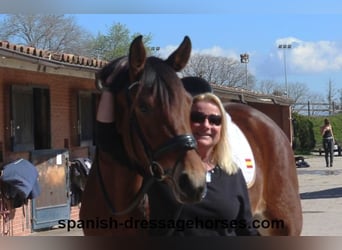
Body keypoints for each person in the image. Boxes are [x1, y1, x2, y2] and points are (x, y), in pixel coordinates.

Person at [147, 92, 259, 236]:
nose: (206, 125)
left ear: (222, 128)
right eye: (197, 118)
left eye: (215, 120)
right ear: (185, 122)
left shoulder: (233, 174)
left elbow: (246, 229)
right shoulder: (161, 172)